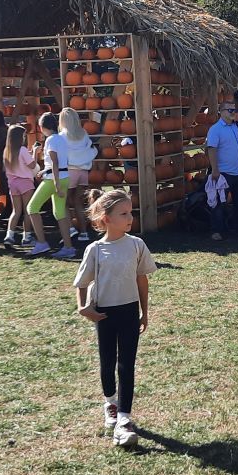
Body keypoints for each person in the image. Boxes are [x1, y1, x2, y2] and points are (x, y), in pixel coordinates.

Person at [74, 189, 156, 449]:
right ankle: (110, 401)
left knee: (127, 364)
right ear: (106, 218)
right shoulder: (96, 250)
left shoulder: (136, 245)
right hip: (105, 313)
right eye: (123, 214)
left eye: (130, 212)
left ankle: (124, 418)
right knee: (107, 362)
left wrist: (144, 310)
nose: (130, 218)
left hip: (129, 311)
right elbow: (82, 283)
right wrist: (83, 308)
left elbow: (141, 279)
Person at [25, 112, 76, 259]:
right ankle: (68, 247)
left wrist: (56, 183)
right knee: (59, 213)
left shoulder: (51, 140)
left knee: (32, 208)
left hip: (54, 179)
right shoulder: (61, 138)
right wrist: (45, 171)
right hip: (63, 177)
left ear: (42, 127)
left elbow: (55, 162)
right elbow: (57, 163)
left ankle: (41, 243)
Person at [204, 99, 238, 239]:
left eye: (235, 110)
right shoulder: (215, 129)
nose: (234, 112)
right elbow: (212, 149)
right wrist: (215, 169)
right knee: (219, 203)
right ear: (221, 112)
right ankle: (216, 230)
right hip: (224, 172)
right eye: (230, 110)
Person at [58, 108, 95, 243]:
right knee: (79, 203)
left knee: (63, 202)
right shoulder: (83, 133)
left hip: (70, 171)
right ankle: (84, 233)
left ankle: (70, 229)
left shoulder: (62, 135)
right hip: (84, 172)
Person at [1, 123, 39, 246]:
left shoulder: (7, 151)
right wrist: (35, 153)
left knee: (16, 211)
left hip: (12, 184)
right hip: (26, 182)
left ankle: (9, 235)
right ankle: (27, 237)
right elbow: (32, 165)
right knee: (27, 210)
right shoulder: (22, 150)